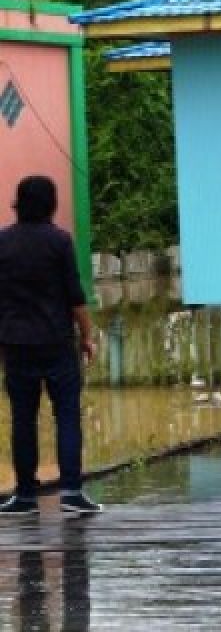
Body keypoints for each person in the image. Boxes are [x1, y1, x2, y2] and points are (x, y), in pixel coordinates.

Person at [0, 175, 100, 515]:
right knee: (67, 415)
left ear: (19, 203)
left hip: (15, 344)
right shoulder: (59, 241)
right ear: (51, 204)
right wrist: (87, 336)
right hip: (57, 342)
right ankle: (71, 492)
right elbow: (75, 297)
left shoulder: (3, 242)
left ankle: (25, 495)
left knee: (22, 419)